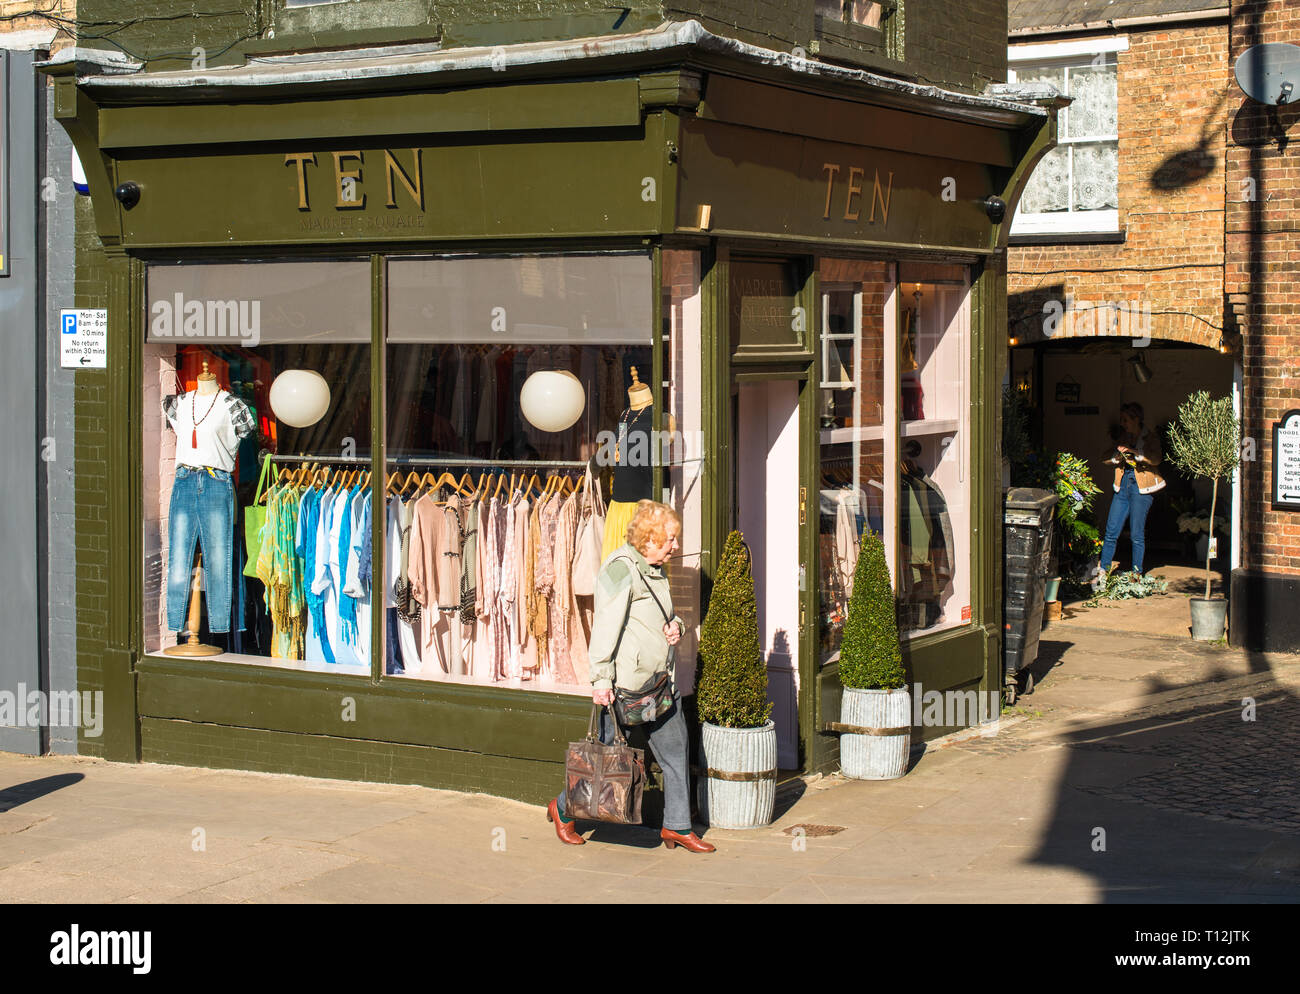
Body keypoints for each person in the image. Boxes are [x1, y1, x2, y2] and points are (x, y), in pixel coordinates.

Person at [546, 499, 715, 853]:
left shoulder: (655, 568)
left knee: (676, 750)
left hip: (658, 684)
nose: (675, 545)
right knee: (604, 757)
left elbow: (663, 614)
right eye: (670, 539)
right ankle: (562, 808)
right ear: (649, 538)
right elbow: (605, 630)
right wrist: (600, 682)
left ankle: (678, 826)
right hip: (625, 689)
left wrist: (677, 626)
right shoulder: (620, 570)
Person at [1096, 402, 1165, 580]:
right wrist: (1117, 456)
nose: (1123, 423)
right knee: (1111, 530)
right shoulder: (1123, 437)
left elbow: (1156, 458)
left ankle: (1136, 573)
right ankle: (1103, 570)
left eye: (1126, 420)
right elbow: (1104, 458)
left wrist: (1135, 452)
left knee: (1136, 533)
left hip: (1141, 488)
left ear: (1136, 420)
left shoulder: (1150, 437)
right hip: (1123, 484)